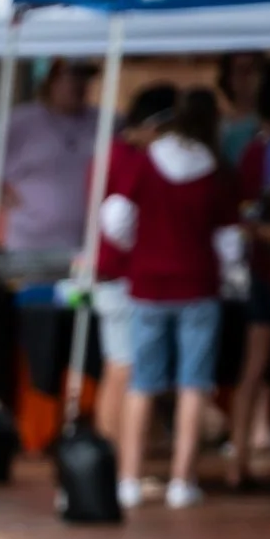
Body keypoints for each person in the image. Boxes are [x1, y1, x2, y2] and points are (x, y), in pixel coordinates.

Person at [104, 84, 245, 512]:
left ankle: (128, 477)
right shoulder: (215, 172)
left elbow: (116, 218)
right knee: (193, 384)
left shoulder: (145, 164)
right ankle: (182, 481)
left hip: (147, 284)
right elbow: (229, 240)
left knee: (143, 381)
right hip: (198, 285)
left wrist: (140, 247)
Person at [89, 82, 180, 464]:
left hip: (112, 272)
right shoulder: (130, 158)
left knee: (119, 366)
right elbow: (118, 218)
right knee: (125, 370)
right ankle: (114, 460)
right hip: (123, 274)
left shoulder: (111, 154)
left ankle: (113, 459)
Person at [0, 60, 95, 259]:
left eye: (84, 79)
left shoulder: (103, 121)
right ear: (52, 82)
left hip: (86, 241)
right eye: (72, 78)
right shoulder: (23, 121)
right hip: (32, 243)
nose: (79, 85)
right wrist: (3, 196)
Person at [229, 75, 270, 489]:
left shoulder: (253, 153)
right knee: (254, 366)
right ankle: (238, 457)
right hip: (265, 269)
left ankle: (238, 460)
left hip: (263, 269)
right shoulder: (256, 154)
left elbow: (242, 216)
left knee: (254, 367)